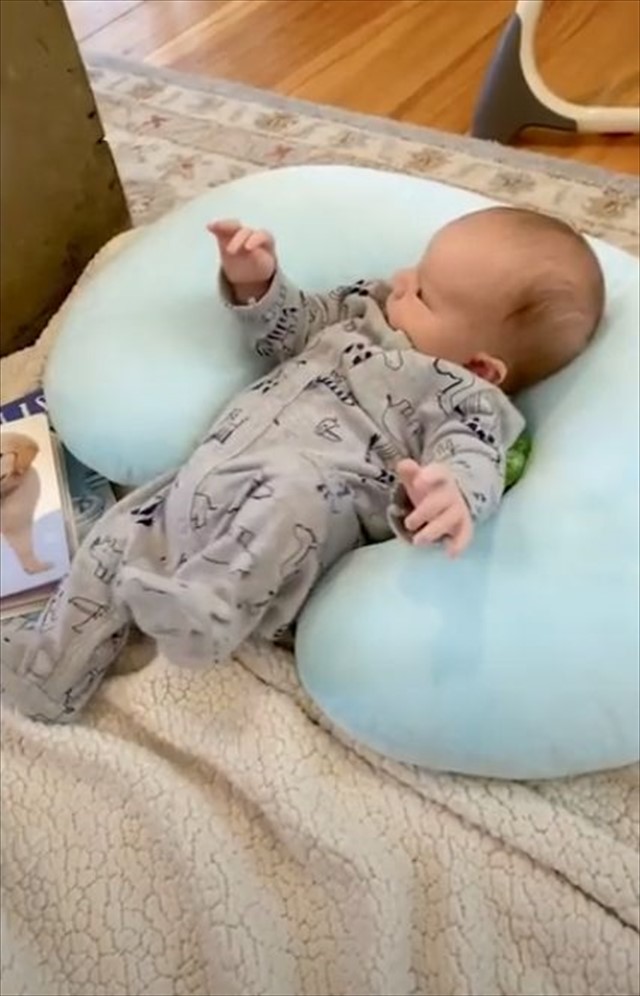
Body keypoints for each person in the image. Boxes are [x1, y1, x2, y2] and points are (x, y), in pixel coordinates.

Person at [0, 206, 605, 724]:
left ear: (479, 365)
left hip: (302, 516)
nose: (400, 280)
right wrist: (257, 281)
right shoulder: (361, 308)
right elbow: (289, 328)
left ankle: (212, 610)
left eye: (422, 293)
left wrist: (451, 494)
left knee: (293, 491)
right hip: (207, 477)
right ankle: (49, 674)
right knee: (110, 542)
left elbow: (474, 458)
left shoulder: (463, 399)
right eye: (416, 268)